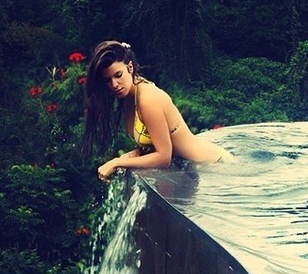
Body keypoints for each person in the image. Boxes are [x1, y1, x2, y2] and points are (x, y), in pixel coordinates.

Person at [81, 40, 226, 180]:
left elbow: (164, 158)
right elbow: (154, 145)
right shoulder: (130, 97)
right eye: (108, 80)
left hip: (214, 168)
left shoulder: (147, 99)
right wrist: (135, 153)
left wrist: (117, 162)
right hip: (193, 170)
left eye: (118, 75)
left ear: (130, 68)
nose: (114, 84)